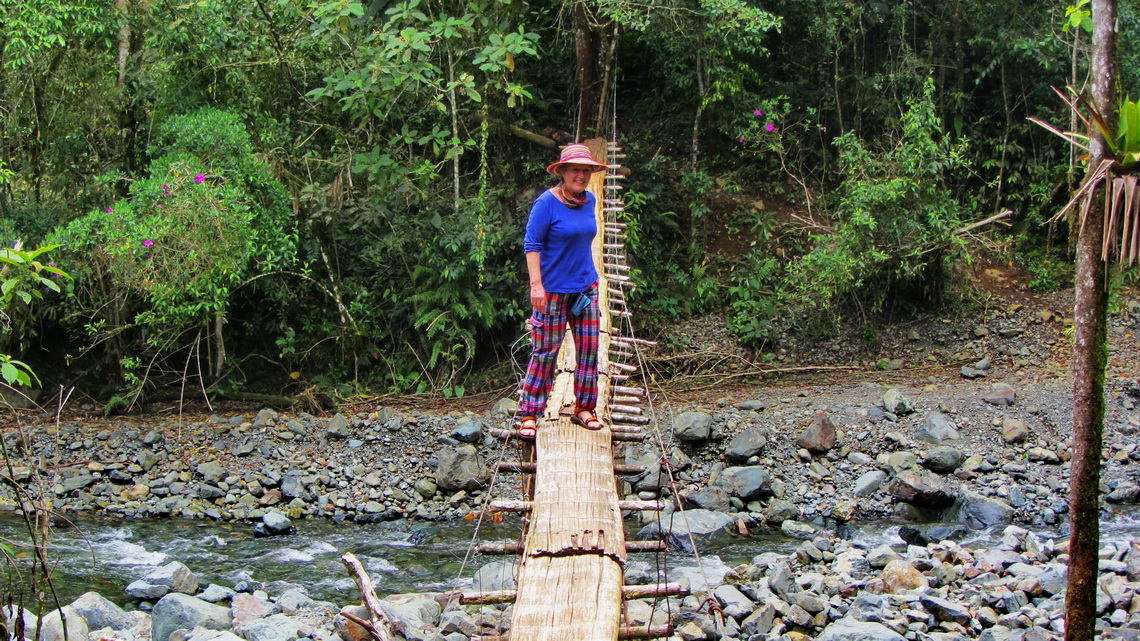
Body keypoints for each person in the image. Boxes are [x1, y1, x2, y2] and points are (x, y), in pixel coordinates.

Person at [517, 144, 608, 438]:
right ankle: (530, 412)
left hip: (586, 289)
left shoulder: (590, 200)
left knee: (589, 351)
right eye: (575, 170)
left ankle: (584, 407)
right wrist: (536, 286)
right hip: (552, 292)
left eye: (585, 170)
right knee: (545, 352)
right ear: (563, 172)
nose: (580, 175)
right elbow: (532, 245)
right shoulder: (546, 203)